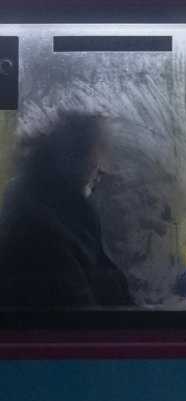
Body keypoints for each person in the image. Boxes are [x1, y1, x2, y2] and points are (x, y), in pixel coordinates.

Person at [0, 112, 134, 309]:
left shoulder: (59, 212)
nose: (104, 168)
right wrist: (169, 318)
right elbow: (81, 325)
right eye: (101, 152)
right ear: (74, 155)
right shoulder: (40, 233)